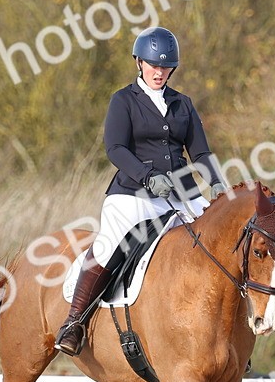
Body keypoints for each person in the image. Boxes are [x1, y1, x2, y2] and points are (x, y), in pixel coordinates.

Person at [54, 26, 229, 356]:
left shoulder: (183, 104)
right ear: (139, 62)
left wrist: (216, 181)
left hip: (183, 193)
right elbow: (115, 148)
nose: (159, 72)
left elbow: (201, 153)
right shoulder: (124, 100)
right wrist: (148, 177)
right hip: (133, 193)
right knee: (108, 247)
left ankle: (222, 335)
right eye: (152, 65)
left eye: (165, 67)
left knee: (219, 243)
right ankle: (74, 321)